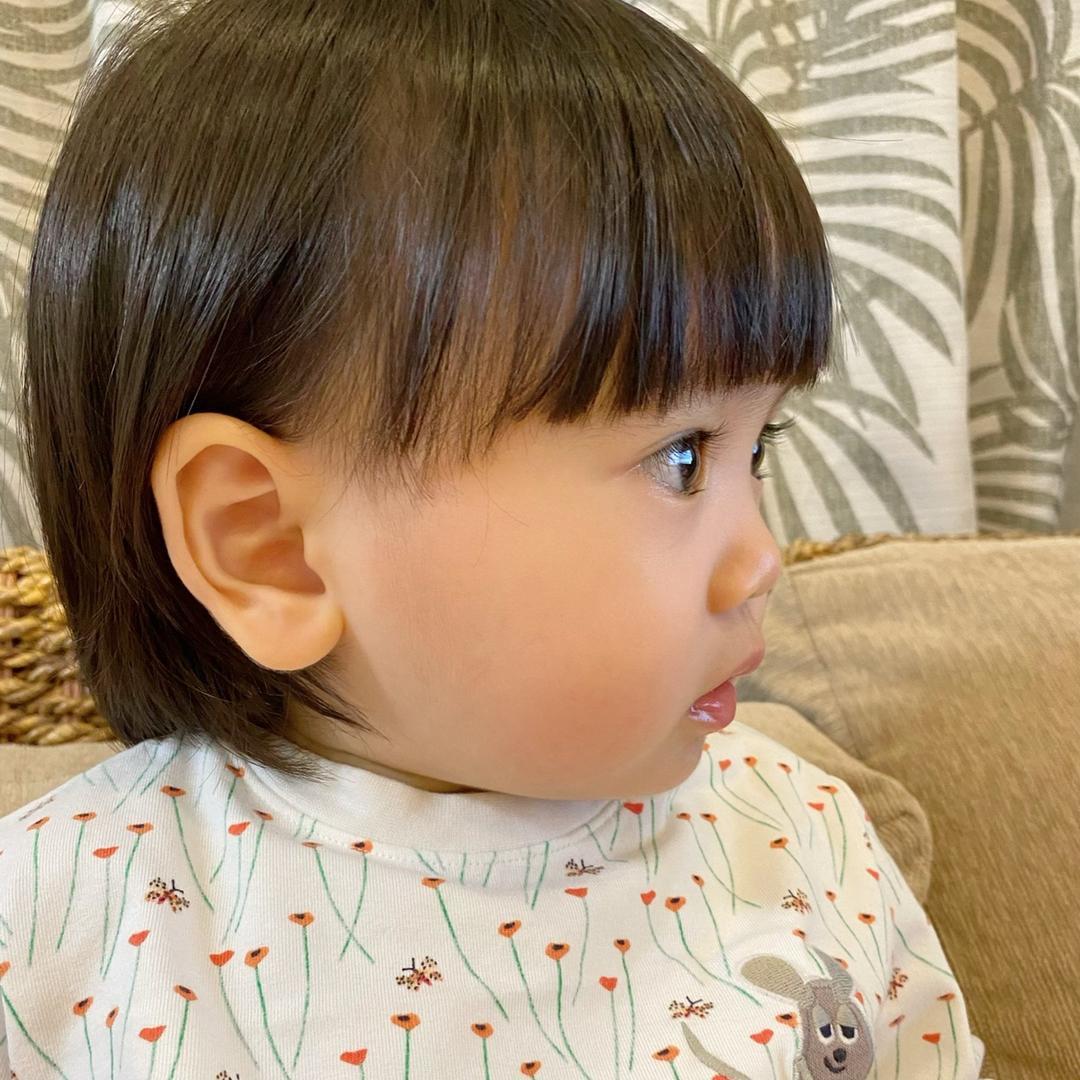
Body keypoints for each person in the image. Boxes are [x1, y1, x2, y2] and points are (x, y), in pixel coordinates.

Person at [0, 0, 989, 1075]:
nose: (761, 559)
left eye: (760, 447)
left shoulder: (802, 836)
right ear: (269, 545)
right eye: (682, 458)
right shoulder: (63, 923)